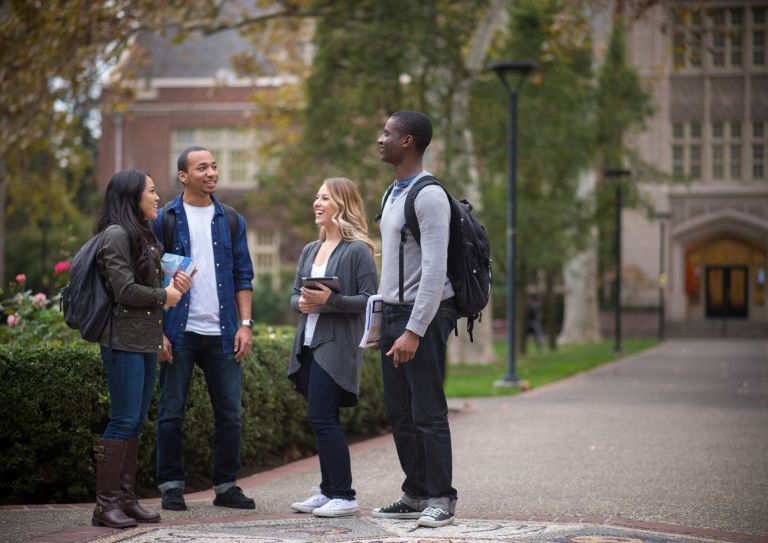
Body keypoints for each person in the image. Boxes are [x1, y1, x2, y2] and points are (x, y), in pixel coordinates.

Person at [153, 146, 256, 511]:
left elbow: (243, 274)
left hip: (223, 330)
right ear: (183, 176)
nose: (211, 172)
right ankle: (171, 485)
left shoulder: (229, 219)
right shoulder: (163, 219)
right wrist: (158, 332)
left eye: (213, 166)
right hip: (179, 331)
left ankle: (226, 486)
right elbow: (150, 280)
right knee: (171, 410)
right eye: (202, 168)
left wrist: (244, 325)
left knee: (230, 411)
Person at [372, 111, 458, 528]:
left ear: (407, 141)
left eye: (387, 134)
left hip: (421, 317)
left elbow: (435, 269)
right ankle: (416, 492)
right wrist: (381, 323)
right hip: (393, 314)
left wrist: (413, 330)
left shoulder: (428, 195)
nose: (380, 139)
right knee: (400, 412)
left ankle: (442, 496)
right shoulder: (392, 192)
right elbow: (393, 266)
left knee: (427, 411)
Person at [92, 170, 192, 528]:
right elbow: (124, 290)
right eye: (151, 191)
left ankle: (126, 499)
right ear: (132, 197)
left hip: (144, 341)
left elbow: (146, 287)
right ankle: (105, 505)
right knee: (122, 420)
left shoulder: (141, 234)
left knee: (134, 421)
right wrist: (165, 294)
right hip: (122, 342)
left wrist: (171, 283)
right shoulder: (116, 235)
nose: (157, 197)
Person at [287, 178, 377, 518]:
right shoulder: (311, 249)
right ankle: (327, 491)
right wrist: (302, 304)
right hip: (308, 343)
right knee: (323, 419)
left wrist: (331, 300)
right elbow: (293, 295)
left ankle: (344, 493)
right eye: (317, 196)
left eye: (324, 197)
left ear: (341, 203)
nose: (316, 202)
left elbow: (370, 300)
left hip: (336, 347)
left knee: (322, 417)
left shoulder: (358, 251)